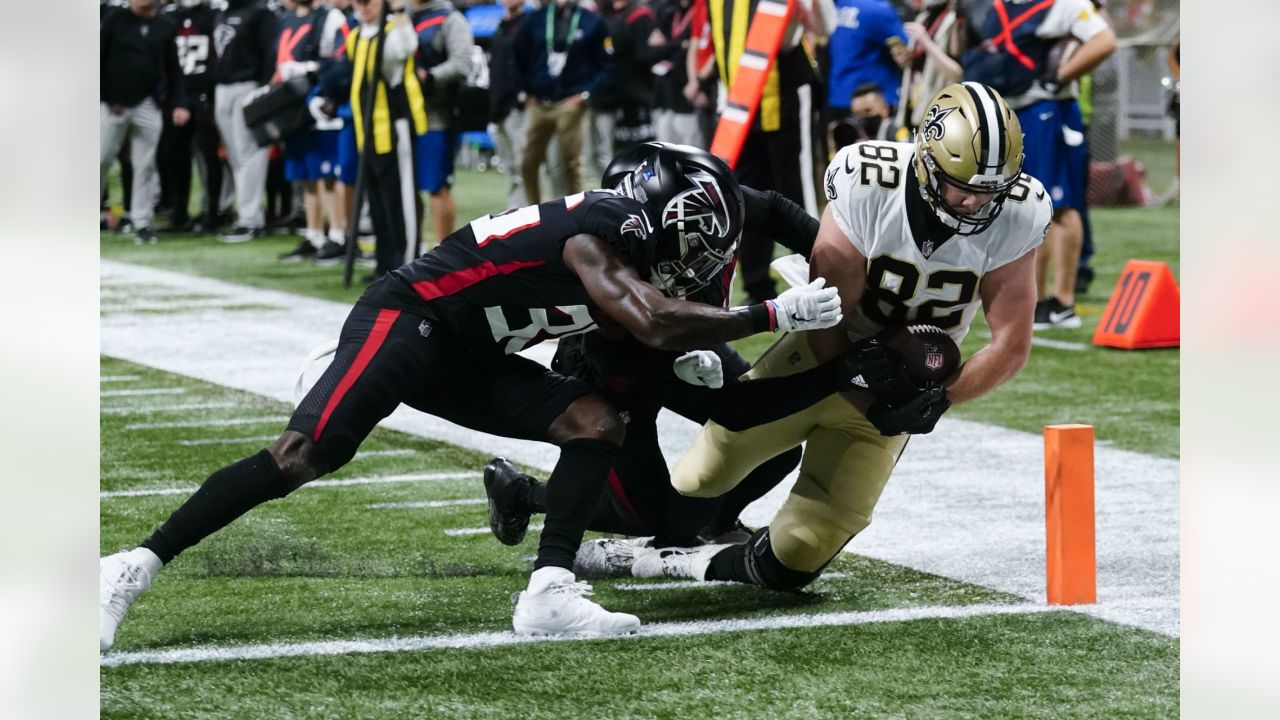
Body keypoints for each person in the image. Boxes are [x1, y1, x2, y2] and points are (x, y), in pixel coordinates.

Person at [98, 144, 844, 650]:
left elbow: (748, 227)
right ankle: (132, 566)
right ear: (663, 217)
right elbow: (649, 318)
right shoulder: (602, 228)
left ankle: (549, 589)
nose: (702, 263)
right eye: (697, 244)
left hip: (476, 351)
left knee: (595, 421)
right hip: (413, 317)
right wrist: (771, 315)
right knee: (305, 455)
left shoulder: (659, 215)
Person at [625, 84, 1052, 595]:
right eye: (961, 185)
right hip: (823, 346)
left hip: (904, 384)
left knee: (804, 546)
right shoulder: (869, 179)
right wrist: (849, 374)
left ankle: (707, 561)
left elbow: (1011, 344)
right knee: (701, 477)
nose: (975, 201)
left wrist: (936, 399)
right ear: (925, 161)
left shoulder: (1021, 210)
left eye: (990, 190)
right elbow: (830, 305)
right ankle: (581, 512)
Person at [481, 143, 898, 573]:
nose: (706, 263)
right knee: (645, 514)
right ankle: (523, 493)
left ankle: (709, 525)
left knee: (774, 446)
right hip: (616, 368)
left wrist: (848, 263)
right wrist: (840, 374)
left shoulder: (712, 206)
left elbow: (771, 209)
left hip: (693, 337)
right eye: (692, 248)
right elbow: (737, 409)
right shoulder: (609, 276)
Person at [960, 0, 1116, 329]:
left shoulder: (1064, 4)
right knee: (1026, 206)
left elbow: (1104, 40)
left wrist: (1059, 75)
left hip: (1048, 109)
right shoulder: (996, 6)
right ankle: (1039, 299)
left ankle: (1063, 301)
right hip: (1014, 112)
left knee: (1059, 205)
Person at [699, 0, 835, 305]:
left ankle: (824, 277)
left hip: (785, 93)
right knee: (743, 196)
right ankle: (758, 287)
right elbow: (723, 47)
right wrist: (725, 102)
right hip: (738, 103)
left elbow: (825, 28)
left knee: (797, 190)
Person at [100, 0, 189, 245]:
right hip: (113, 105)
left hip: (148, 103)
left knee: (146, 165)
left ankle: (143, 222)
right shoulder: (114, 19)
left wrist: (179, 102)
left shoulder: (164, 25)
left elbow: (173, 68)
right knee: (100, 159)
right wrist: (105, 96)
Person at [275, 0, 351, 263]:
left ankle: (339, 234)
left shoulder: (330, 17)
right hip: (294, 106)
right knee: (306, 174)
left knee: (329, 174)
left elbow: (342, 59)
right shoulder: (286, 19)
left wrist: (309, 70)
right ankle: (315, 232)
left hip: (322, 103)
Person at [514, 0, 612, 204]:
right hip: (539, 102)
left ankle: (575, 212)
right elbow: (517, 56)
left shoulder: (592, 20)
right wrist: (525, 92)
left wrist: (585, 94)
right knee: (527, 161)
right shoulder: (536, 18)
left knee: (570, 163)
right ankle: (532, 212)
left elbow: (606, 64)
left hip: (571, 102)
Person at [410, 0, 475, 248]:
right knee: (408, 188)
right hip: (403, 115)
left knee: (437, 185)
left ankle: (442, 249)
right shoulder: (401, 14)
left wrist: (430, 77)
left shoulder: (450, 18)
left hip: (436, 114)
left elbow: (462, 63)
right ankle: (412, 246)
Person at [158, 0, 223, 234]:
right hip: (177, 96)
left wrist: (210, 95)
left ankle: (213, 212)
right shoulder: (169, 18)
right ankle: (179, 212)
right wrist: (176, 100)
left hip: (205, 94)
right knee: (174, 155)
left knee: (208, 156)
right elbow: (167, 64)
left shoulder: (214, 16)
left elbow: (219, 58)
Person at [486, 0, 532, 208]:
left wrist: (524, 96)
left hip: (519, 106)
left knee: (526, 168)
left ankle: (531, 218)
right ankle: (516, 214)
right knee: (511, 168)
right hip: (499, 106)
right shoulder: (501, 25)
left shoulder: (530, 22)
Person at [903, 0, 963, 130]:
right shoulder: (923, 18)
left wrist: (926, 41)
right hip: (914, 106)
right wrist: (904, 60)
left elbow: (957, 73)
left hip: (941, 112)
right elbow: (920, 67)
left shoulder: (955, 20)